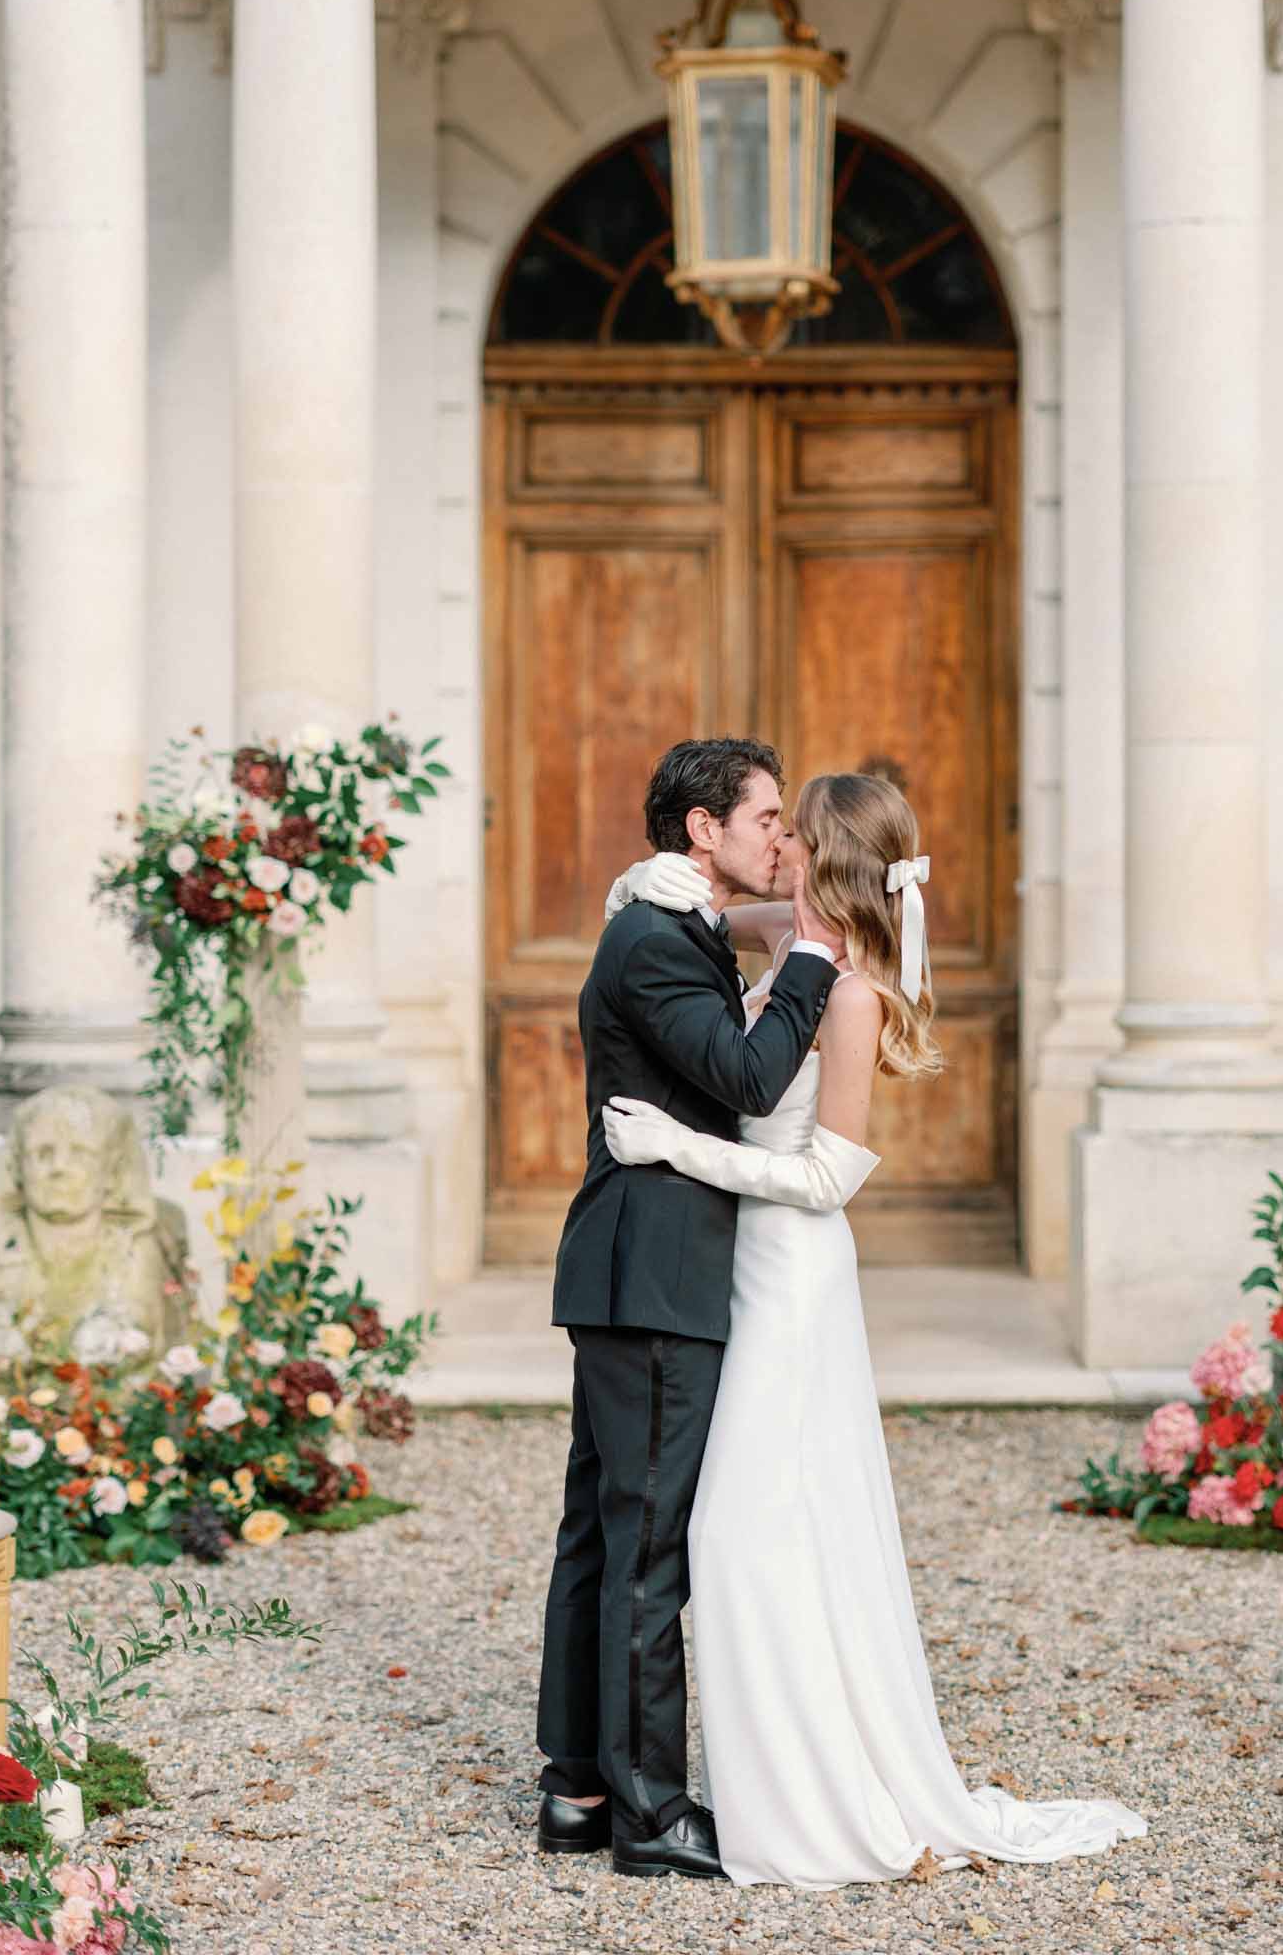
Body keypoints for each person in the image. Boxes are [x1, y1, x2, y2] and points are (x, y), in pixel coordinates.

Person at [602, 771, 1147, 1887]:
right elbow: (687, 915)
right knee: (746, 1536)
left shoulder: (848, 989)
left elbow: (831, 1174)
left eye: (791, 836)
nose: (775, 849)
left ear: (824, 857)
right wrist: (635, 876)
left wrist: (675, 1145)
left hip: (791, 1276)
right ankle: (775, 1779)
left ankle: (811, 1797)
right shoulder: (786, 930)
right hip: (737, 1270)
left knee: (747, 1534)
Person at [535, 737, 841, 1880]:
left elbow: (735, 937)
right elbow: (749, 1077)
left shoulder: (666, 920)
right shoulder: (656, 941)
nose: (785, 836)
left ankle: (577, 1789)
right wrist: (812, 951)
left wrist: (762, 914)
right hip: (655, 1276)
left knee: (603, 1536)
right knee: (646, 1549)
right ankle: (649, 1814)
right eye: (766, 817)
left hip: (633, 1270)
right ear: (703, 829)